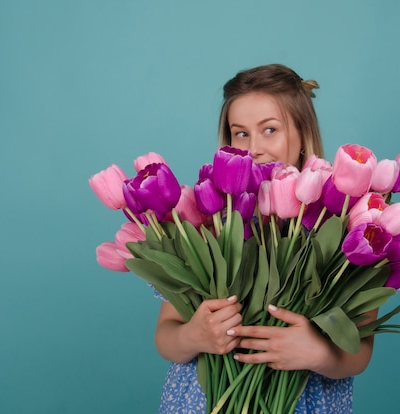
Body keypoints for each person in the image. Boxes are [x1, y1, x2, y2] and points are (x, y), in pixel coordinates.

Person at [153, 64, 378, 413]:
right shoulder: (207, 221)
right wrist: (192, 336)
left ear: (303, 135)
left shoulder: (346, 228)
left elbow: (359, 351)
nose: (254, 148)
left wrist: (318, 352)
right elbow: (166, 334)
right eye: (240, 134)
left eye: (270, 130)